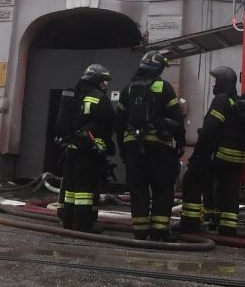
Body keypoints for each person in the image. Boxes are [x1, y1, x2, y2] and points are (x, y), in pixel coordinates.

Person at [185, 66, 245, 235]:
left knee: (192, 179)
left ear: (224, 83)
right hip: (238, 158)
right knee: (229, 190)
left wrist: (197, 154)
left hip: (220, 155)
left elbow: (210, 129)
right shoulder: (239, 103)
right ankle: (228, 227)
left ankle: (189, 223)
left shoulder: (222, 100)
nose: (214, 85)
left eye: (216, 81)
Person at [120, 52, 186, 241]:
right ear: (157, 69)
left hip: (133, 149)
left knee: (138, 190)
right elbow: (177, 118)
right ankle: (159, 232)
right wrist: (180, 143)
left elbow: (119, 123)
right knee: (163, 188)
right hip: (159, 148)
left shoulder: (128, 90)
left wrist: (122, 149)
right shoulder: (164, 88)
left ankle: (139, 231)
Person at [60, 63, 117, 233]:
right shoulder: (98, 97)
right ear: (96, 80)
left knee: (70, 189)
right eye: (103, 81)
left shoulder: (74, 95)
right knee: (85, 190)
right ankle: (82, 226)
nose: (105, 85)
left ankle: (67, 222)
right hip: (88, 151)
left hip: (71, 149)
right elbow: (109, 122)